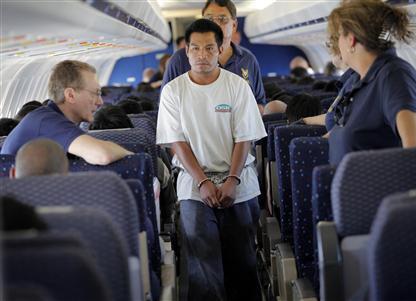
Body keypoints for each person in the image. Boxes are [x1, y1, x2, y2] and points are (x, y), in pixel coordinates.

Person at [156, 19, 266, 301]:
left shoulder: (237, 87)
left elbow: (245, 138)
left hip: (239, 179)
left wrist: (232, 179)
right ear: (186, 51)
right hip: (195, 183)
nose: (201, 55)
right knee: (203, 266)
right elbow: (176, 142)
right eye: (195, 48)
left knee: (243, 262)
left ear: (220, 49)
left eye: (208, 48)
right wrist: (203, 181)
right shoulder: (173, 91)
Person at [321, 0, 416, 164]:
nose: (336, 43)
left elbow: (414, 149)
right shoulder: (362, 80)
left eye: (339, 36)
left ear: (351, 40)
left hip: (384, 188)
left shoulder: (394, 77)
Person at [1, 60, 133, 165]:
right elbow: (102, 155)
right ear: (70, 95)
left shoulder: (51, 118)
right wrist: (132, 156)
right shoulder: (47, 121)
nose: (100, 102)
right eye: (96, 93)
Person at [162, 0, 267, 112]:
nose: (215, 24)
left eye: (222, 19)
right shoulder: (179, 59)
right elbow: (167, 105)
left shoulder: (247, 59)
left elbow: (259, 102)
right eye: (209, 19)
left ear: (234, 25)